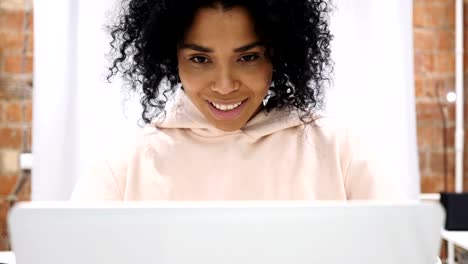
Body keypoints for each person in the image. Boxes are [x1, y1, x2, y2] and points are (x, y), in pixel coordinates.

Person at [71, 0, 402, 201]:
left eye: (248, 58)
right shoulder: (124, 165)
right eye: (201, 59)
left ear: (278, 55)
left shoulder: (339, 151)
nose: (225, 86)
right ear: (172, 59)